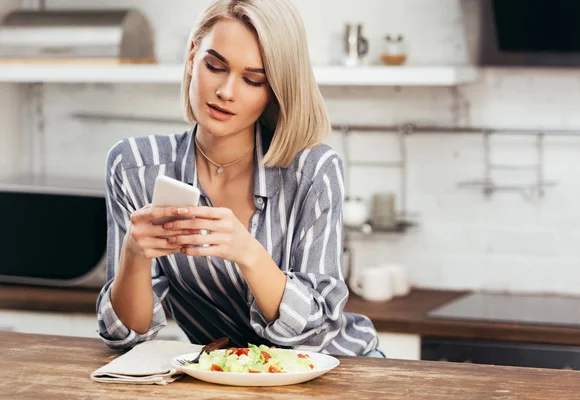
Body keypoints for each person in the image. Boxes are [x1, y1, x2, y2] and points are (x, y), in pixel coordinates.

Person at [96, 0, 381, 357]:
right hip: (226, 377)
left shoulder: (313, 170)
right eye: (215, 66)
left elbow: (318, 330)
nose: (227, 92)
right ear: (191, 56)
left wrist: (249, 254)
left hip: (340, 371)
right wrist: (135, 255)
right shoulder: (134, 167)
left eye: (252, 79)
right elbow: (124, 337)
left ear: (273, 90)